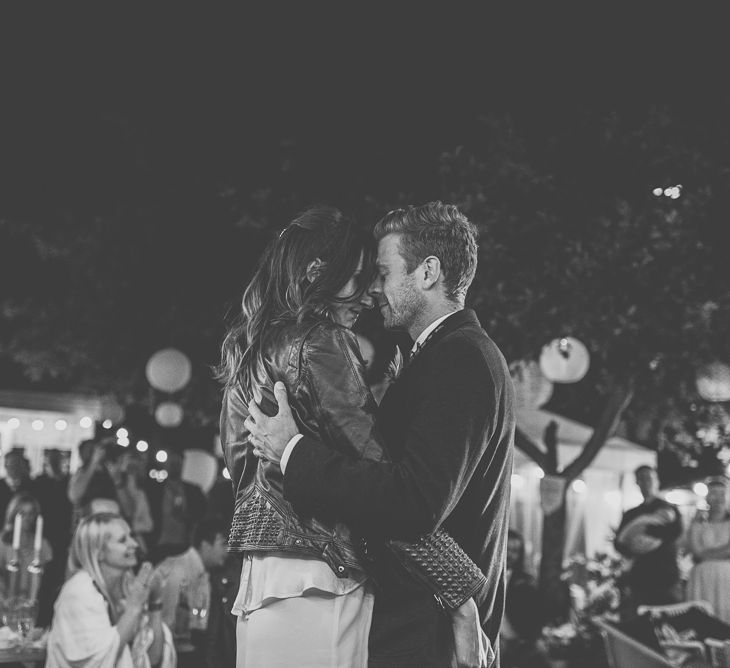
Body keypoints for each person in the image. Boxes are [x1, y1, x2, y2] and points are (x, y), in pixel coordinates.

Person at [243, 202, 513, 667]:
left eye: (385, 273)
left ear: (428, 272)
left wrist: (293, 450)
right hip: (420, 622)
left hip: (427, 631)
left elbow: (414, 501)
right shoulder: (448, 354)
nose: (374, 289)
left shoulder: (460, 359)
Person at [46, 512, 176, 668]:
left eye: (131, 536)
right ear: (99, 552)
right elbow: (97, 661)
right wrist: (134, 608)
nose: (134, 544)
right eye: (123, 540)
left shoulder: (127, 590)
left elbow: (153, 659)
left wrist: (155, 601)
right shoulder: (78, 594)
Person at [154, 515, 230, 667]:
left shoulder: (203, 572)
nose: (228, 550)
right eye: (223, 544)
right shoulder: (178, 572)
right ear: (205, 545)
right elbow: (166, 625)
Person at [614, 465, 683, 609]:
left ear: (657, 480)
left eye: (649, 478)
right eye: (642, 479)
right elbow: (619, 543)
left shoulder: (669, 508)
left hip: (667, 576)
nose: (646, 482)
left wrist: (645, 529)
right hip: (641, 577)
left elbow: (675, 532)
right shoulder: (631, 514)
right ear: (637, 483)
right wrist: (633, 548)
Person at [146, 449, 207, 562]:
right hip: (160, 544)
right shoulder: (154, 490)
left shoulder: (193, 491)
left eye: (177, 464)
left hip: (184, 545)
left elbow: (202, 516)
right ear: (166, 464)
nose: (174, 467)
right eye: (172, 463)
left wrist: (186, 516)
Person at [500, 531, 549, 668]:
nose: (509, 554)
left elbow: (537, 616)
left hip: (518, 642)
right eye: (506, 549)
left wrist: (528, 640)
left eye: (514, 551)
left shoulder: (526, 583)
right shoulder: (486, 578)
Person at [686, 476, 730, 623]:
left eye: (721, 494)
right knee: (703, 618)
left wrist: (707, 554)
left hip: (726, 577)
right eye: (713, 494)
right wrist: (720, 552)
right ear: (707, 497)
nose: (718, 499)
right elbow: (695, 550)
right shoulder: (698, 524)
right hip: (702, 578)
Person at [0, 492, 53, 601]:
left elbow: (47, 580)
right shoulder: (3, 541)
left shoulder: (42, 544)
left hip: (32, 602)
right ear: (14, 514)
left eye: (31, 513)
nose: (27, 518)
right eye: (22, 513)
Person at [0, 450, 34, 521]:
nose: (14, 468)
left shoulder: (30, 485)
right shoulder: (1, 485)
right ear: (5, 465)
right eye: (11, 464)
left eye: (17, 464)